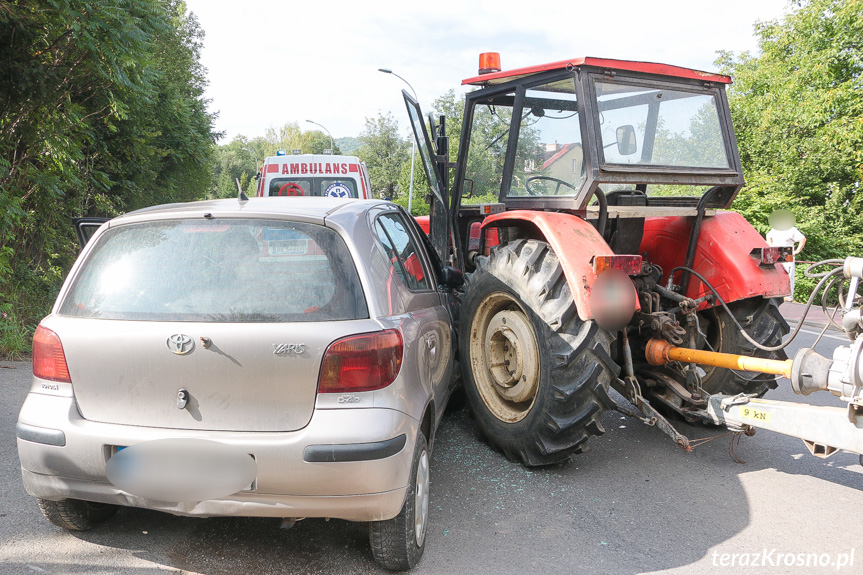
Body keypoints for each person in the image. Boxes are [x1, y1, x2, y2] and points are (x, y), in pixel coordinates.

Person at [766, 209, 806, 300]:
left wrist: (797, 251)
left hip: (786, 251)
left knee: (788, 274)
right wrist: (770, 245)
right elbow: (768, 236)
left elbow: (802, 239)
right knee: (774, 273)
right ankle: (775, 294)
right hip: (775, 251)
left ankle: (788, 296)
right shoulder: (775, 229)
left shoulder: (792, 229)